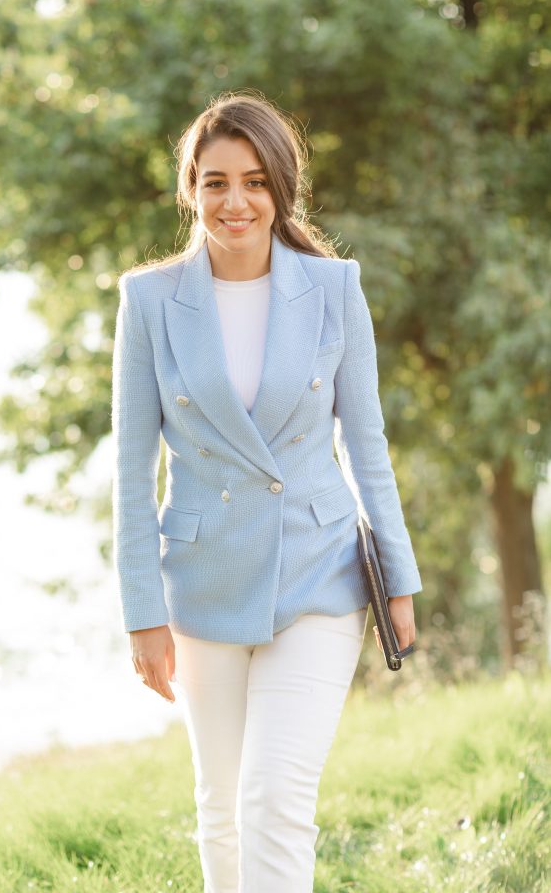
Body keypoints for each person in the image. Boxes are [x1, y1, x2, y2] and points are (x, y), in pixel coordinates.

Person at [110, 91, 422, 893]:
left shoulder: (333, 287)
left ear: (283, 187)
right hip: (202, 580)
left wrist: (400, 578)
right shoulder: (147, 300)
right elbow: (132, 468)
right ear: (190, 190)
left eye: (254, 180)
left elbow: (367, 441)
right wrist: (141, 611)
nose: (235, 201)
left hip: (318, 574)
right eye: (215, 182)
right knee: (220, 806)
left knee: (273, 797)